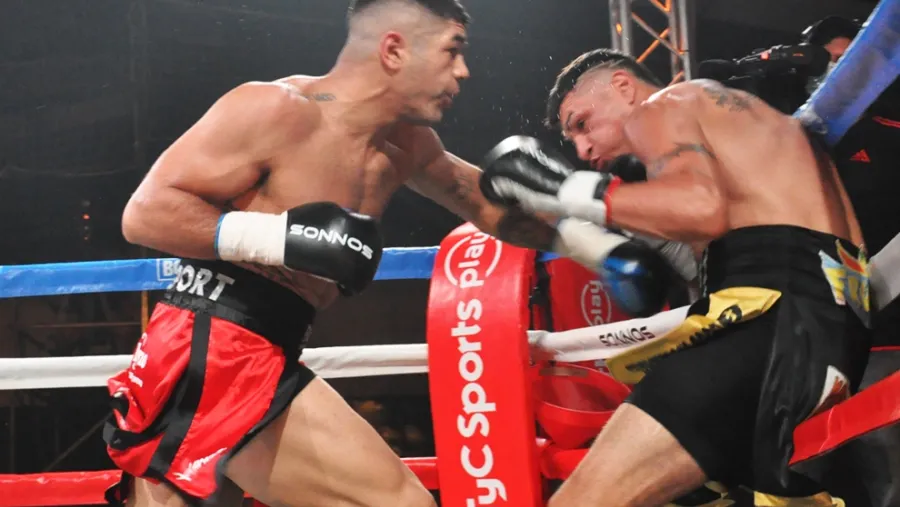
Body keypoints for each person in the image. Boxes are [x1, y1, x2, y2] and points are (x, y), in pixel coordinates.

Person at [103, 1, 683, 506]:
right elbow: (145, 213)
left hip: (262, 346)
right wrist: (282, 237)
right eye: (452, 50)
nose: (463, 71)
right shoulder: (276, 108)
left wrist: (599, 244)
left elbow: (489, 208)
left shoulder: (408, 145)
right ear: (394, 50)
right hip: (212, 341)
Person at [479, 48, 874, 506]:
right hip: (834, 337)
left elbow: (701, 209)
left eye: (582, 124)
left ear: (623, 86)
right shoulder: (756, 132)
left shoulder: (664, 106)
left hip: (764, 327)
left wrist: (566, 189)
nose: (583, 150)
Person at [803, 15, 900, 507]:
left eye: (850, 61)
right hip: (805, 342)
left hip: (886, 340)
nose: (840, 74)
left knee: (886, 472)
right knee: (794, 472)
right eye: (830, 63)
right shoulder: (787, 143)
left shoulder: (894, 135)